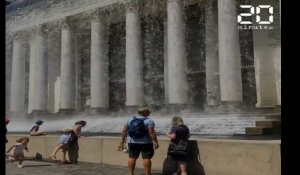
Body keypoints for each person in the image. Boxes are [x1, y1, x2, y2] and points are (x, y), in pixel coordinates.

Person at [120, 107, 159, 175]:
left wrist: (123, 140)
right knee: (146, 158)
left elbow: (124, 131)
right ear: (145, 113)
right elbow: (151, 132)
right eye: (148, 112)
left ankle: (130, 173)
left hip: (132, 142)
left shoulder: (130, 119)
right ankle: (147, 173)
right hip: (146, 143)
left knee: (132, 157)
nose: (149, 114)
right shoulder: (149, 121)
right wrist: (155, 141)